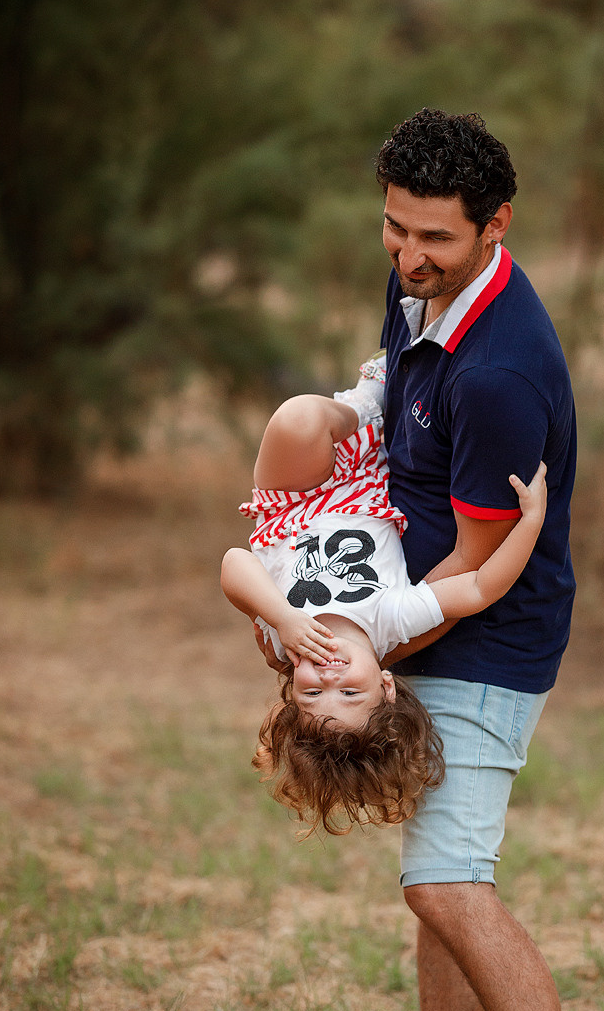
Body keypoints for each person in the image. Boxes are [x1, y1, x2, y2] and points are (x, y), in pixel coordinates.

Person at [334, 107, 604, 1011]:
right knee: (434, 873)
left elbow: (471, 574)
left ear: (496, 223)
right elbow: (394, 430)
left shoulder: (501, 376)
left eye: (434, 237)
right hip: (423, 617)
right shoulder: (419, 291)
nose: (407, 256)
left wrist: (362, 647)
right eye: (394, 228)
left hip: (486, 639)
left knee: (447, 881)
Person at [220, 356, 547, 833]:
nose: (329, 676)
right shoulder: (391, 620)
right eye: (351, 691)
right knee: (344, 431)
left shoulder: (281, 637)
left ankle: (368, 398)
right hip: (366, 485)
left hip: (292, 498)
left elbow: (235, 562)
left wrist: (283, 617)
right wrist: (532, 522)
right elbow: (478, 588)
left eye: (313, 691)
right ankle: (380, 408)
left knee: (297, 419)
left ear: (293, 690)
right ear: (386, 686)